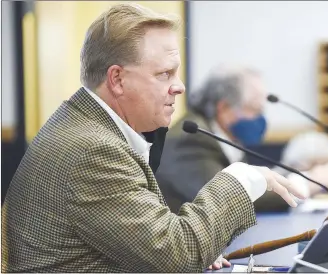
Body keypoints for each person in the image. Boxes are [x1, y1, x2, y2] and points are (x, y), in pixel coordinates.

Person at [1, 4, 306, 273]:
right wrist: (240, 180)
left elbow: (153, 245)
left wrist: (184, 247)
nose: (180, 87)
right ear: (117, 80)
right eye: (165, 74)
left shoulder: (83, 128)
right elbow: (177, 258)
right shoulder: (93, 150)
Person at [155, 65, 328, 213]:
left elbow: (251, 183)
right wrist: (308, 185)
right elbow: (230, 200)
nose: (260, 118)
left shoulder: (226, 134)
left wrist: (303, 172)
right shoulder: (192, 138)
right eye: (254, 109)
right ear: (224, 108)